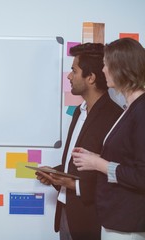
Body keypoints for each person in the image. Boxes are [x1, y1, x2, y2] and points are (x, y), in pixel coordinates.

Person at [35, 43, 123, 240]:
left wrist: (75, 185)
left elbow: (117, 174)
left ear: (90, 78)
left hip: (91, 220)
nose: (69, 76)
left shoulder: (115, 117)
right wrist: (55, 174)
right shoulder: (78, 111)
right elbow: (78, 165)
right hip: (66, 212)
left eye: (74, 71)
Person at [72, 38, 145, 240]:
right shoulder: (130, 109)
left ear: (120, 67)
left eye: (106, 64)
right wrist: (95, 157)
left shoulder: (141, 110)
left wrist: (98, 163)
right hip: (116, 220)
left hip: (128, 223)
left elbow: (142, 175)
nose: (103, 70)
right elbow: (126, 159)